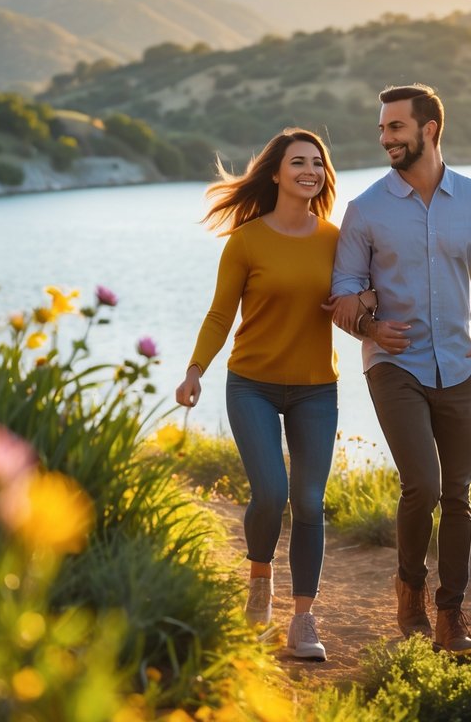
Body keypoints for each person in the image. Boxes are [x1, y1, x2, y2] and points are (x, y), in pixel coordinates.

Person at [328, 84, 471, 657]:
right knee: (424, 485)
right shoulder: (365, 210)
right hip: (393, 364)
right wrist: (368, 328)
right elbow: (340, 294)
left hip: (460, 364)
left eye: (395, 128)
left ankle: (450, 615)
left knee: (457, 494)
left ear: (428, 129)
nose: (384, 137)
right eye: (383, 128)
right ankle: (409, 584)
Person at [175, 128, 339, 661]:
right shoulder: (245, 240)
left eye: (317, 162)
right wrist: (196, 369)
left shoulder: (336, 240)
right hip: (253, 386)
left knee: (310, 502)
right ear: (276, 173)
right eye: (298, 162)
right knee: (271, 493)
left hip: (317, 388)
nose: (310, 170)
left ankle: (303, 620)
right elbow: (221, 313)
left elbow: (360, 301)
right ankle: (259, 582)